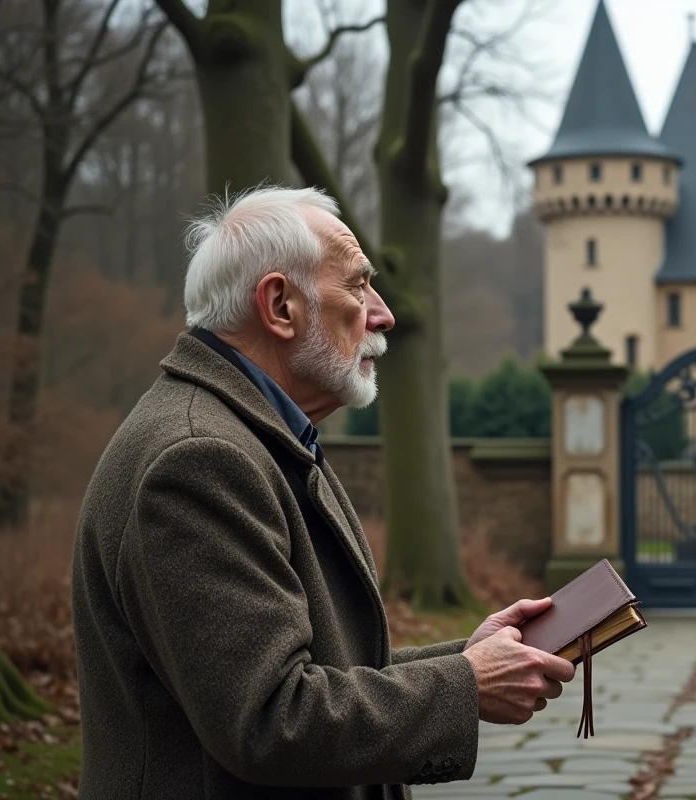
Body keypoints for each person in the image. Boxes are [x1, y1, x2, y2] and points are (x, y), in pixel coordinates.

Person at [70, 186, 575, 800]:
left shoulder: (261, 433)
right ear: (280, 305)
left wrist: (467, 659)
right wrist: (464, 686)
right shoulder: (199, 460)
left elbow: (316, 674)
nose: (384, 314)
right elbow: (271, 719)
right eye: (359, 287)